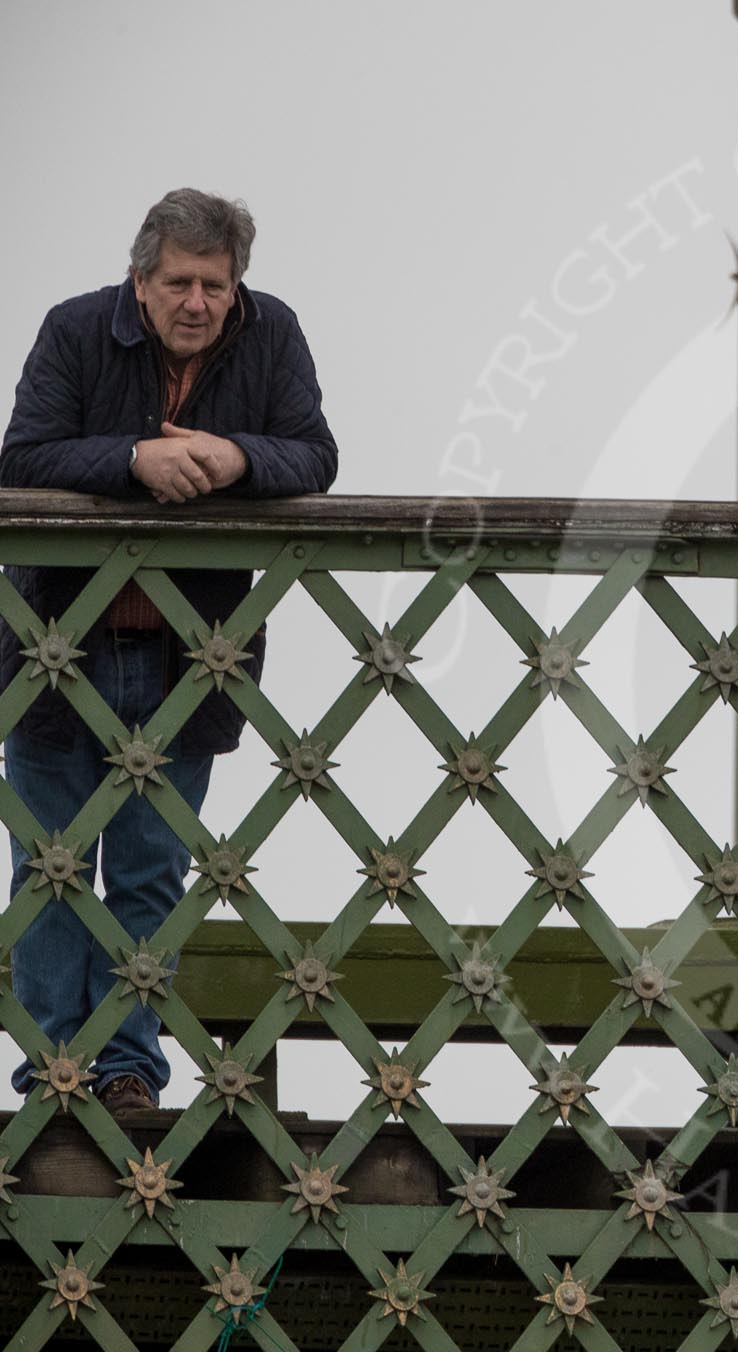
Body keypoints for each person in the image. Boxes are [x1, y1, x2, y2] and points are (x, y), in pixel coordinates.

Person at [0, 189, 339, 1119]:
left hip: (196, 653)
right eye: (181, 282)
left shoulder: (273, 336)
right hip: (58, 645)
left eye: (217, 285)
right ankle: (50, 1079)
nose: (200, 301)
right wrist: (134, 460)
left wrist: (238, 459)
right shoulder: (73, 332)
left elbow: (314, 456)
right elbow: (21, 459)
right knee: (52, 868)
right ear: (140, 282)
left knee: (151, 871)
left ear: (238, 289)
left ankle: (125, 1076)